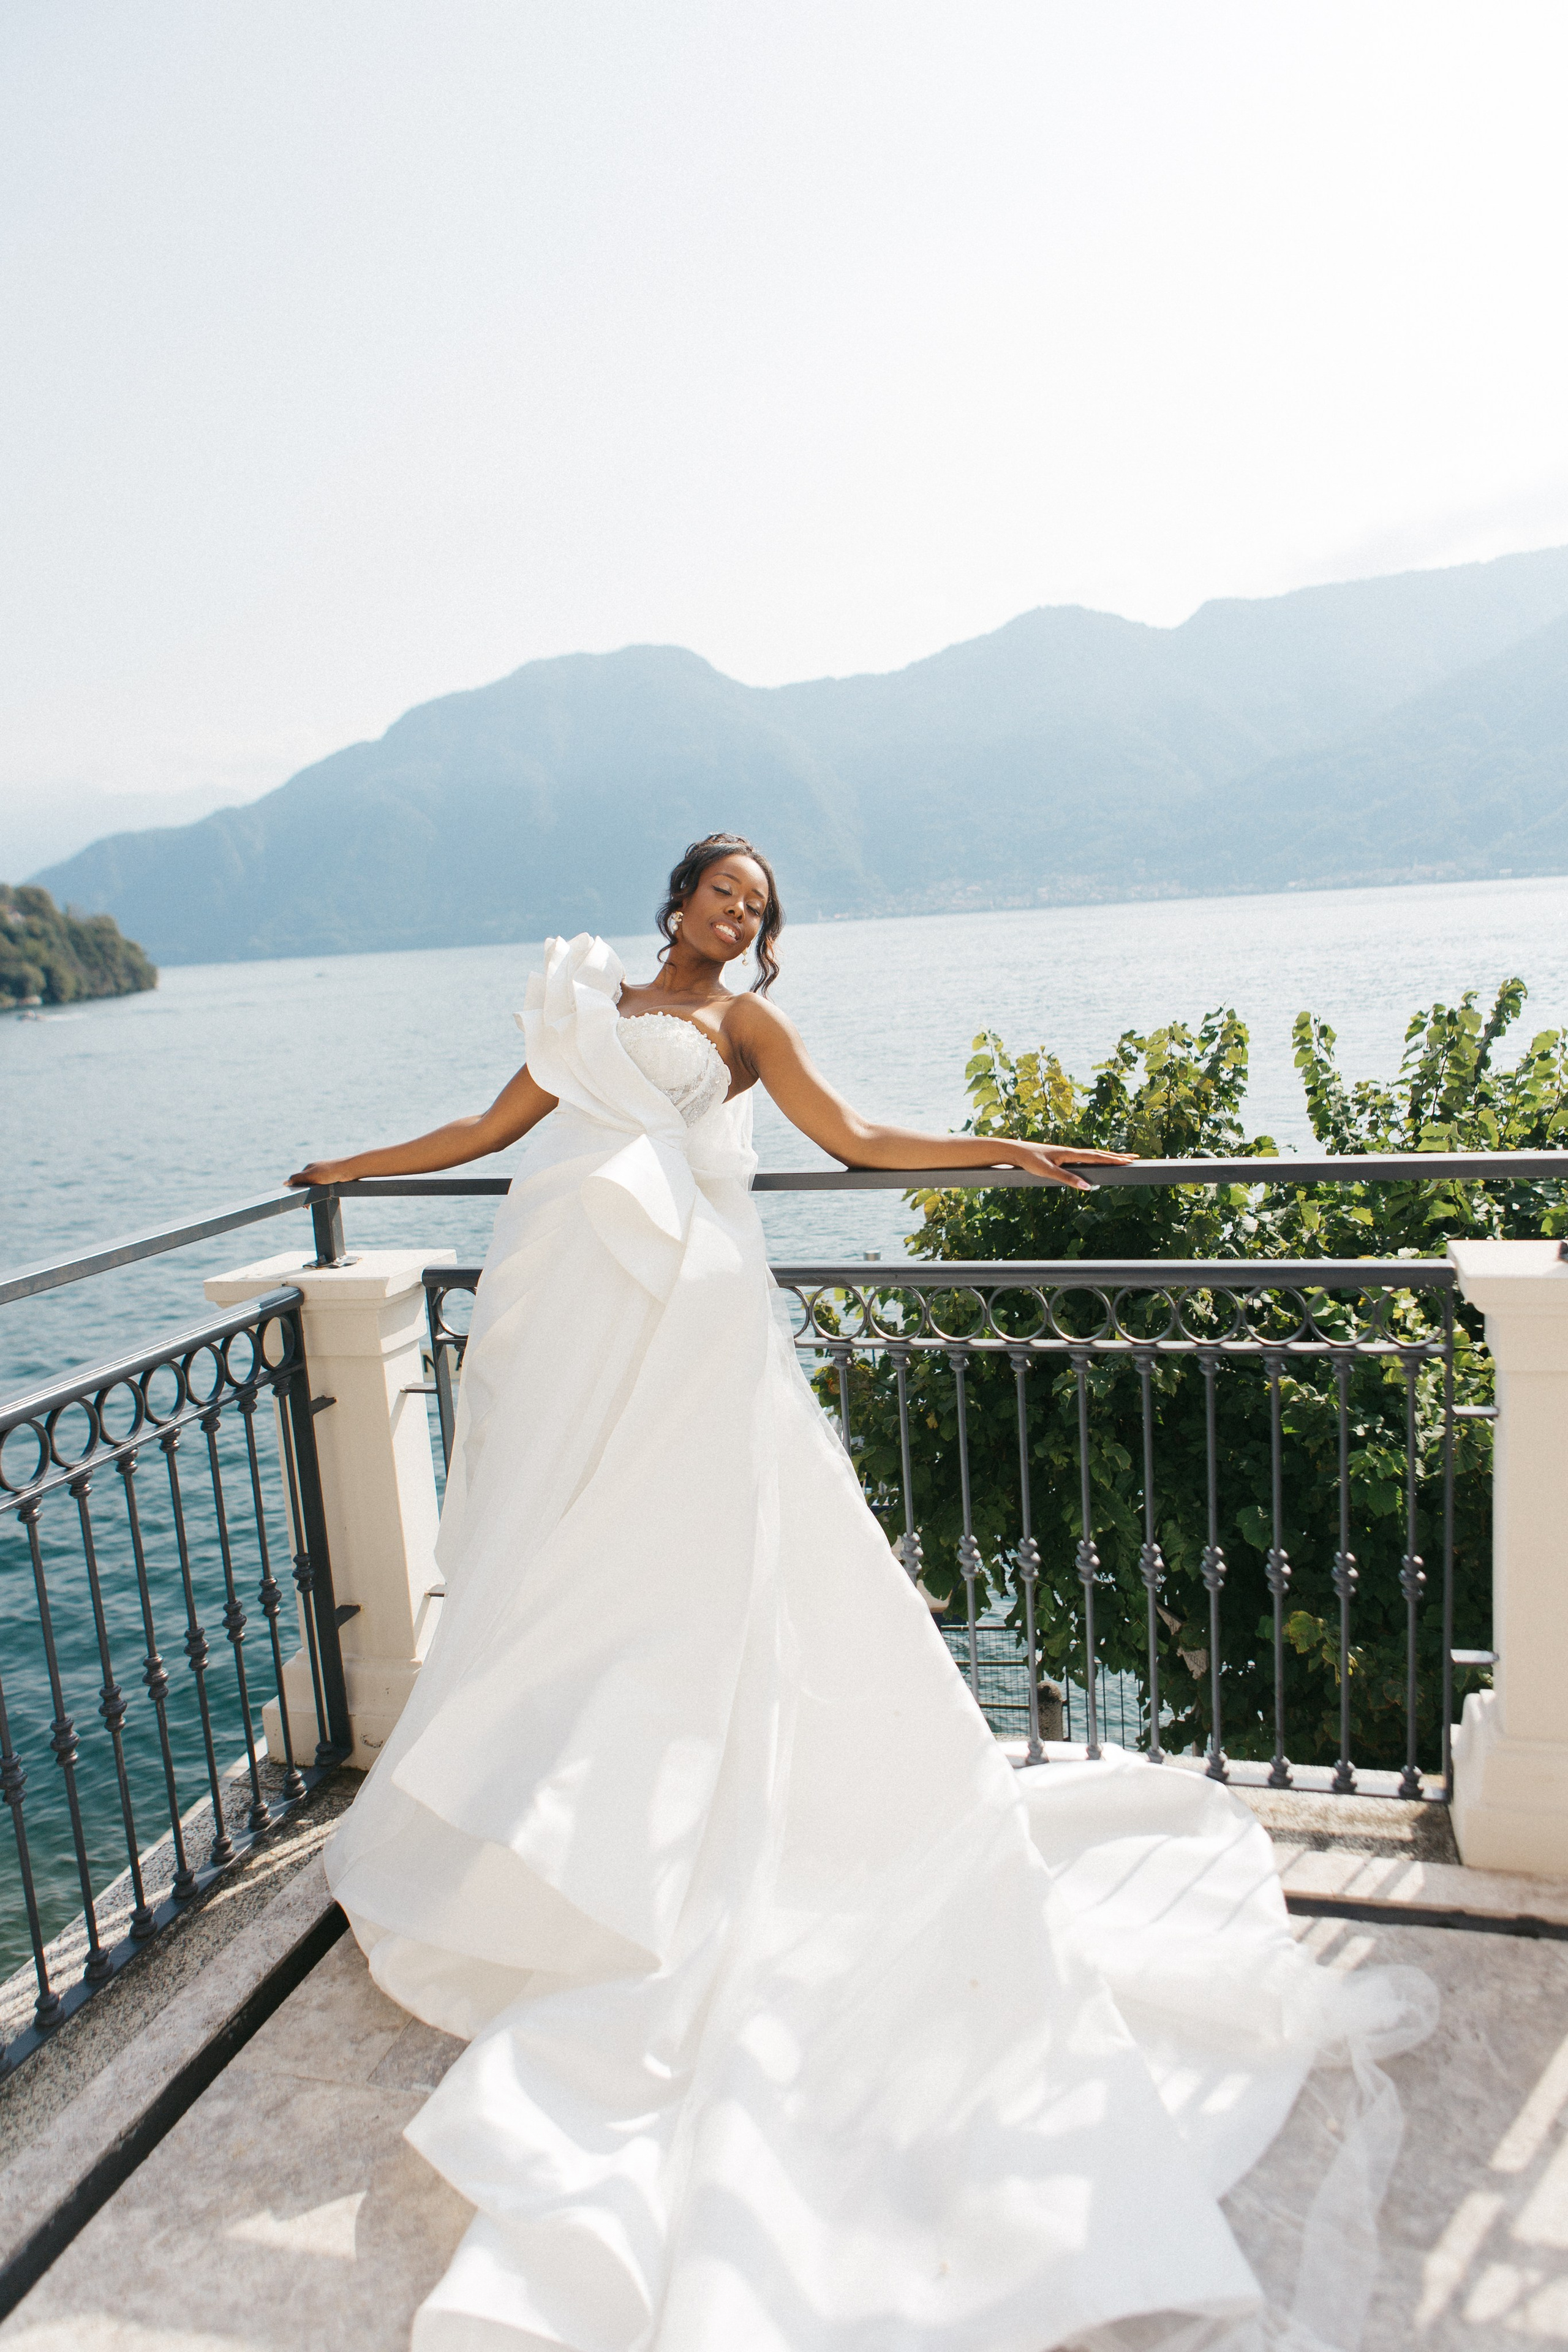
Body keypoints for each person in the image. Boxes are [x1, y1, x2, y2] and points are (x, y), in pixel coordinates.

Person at [288, 834, 1430, 2352]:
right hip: (562, 1315)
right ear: (676, 896)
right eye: (722, 892)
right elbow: (488, 1126)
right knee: (561, 1581)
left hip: (683, 1334)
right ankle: (578, 1848)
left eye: (758, 909)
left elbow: (853, 1140)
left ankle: (696, 1863)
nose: (736, 916)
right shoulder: (585, 999)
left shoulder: (745, 1030)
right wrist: (353, 1174)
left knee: (689, 1589)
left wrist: (1003, 1154)